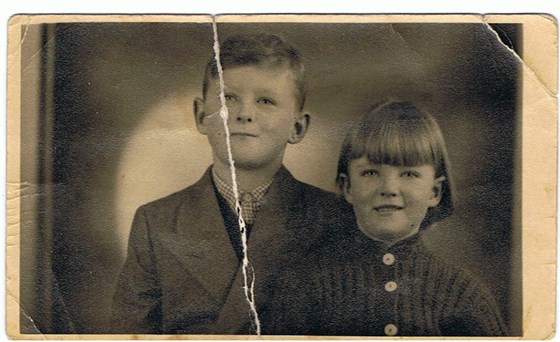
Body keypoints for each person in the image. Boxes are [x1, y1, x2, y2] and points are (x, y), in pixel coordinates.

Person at [109, 33, 353, 334]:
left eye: (266, 101)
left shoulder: (334, 218)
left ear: (297, 126)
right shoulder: (157, 222)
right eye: (228, 98)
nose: (244, 114)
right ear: (201, 115)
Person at [267, 100, 508, 336]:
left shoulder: (462, 293)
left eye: (409, 173)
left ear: (435, 192)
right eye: (371, 172)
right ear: (348, 187)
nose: (389, 188)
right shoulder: (305, 285)